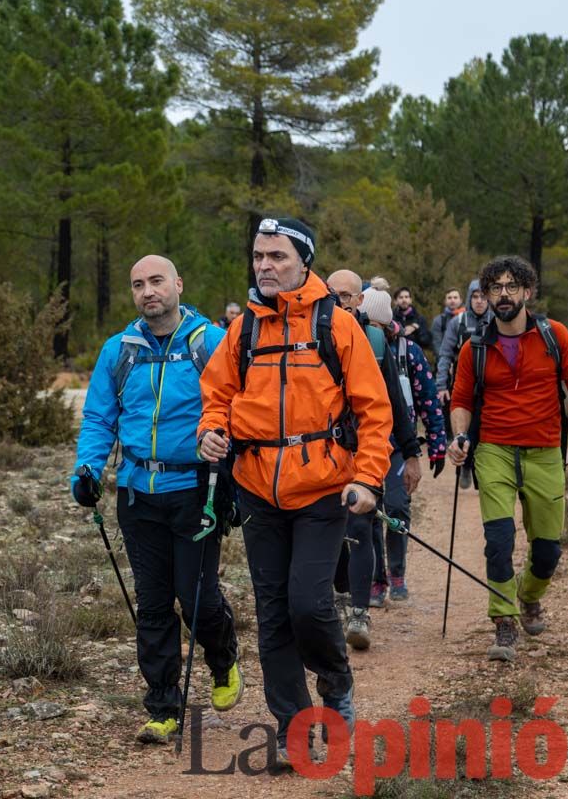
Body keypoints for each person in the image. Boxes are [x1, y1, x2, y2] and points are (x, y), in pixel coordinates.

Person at [197, 218, 392, 770]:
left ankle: (335, 679)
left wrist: (369, 478)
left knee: (308, 604)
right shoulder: (245, 329)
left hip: (324, 490)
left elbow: (373, 410)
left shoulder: (336, 322)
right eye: (259, 256)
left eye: (277, 256)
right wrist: (211, 432)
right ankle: (294, 729)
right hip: (257, 488)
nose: (265, 266)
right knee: (274, 613)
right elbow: (217, 394)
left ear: (303, 261)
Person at [71, 255, 242, 745]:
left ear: (178, 285)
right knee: (151, 604)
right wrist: (86, 470)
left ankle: (224, 658)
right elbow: (99, 418)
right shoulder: (118, 350)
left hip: (196, 492)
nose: (148, 291)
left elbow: (237, 403)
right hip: (137, 494)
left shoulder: (209, 342)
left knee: (196, 600)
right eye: (138, 285)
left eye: (157, 281)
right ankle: (163, 706)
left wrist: (224, 442)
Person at [446, 255, 568, 663]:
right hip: (494, 449)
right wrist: (460, 436)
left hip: (545, 450)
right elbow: (461, 400)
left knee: (548, 550)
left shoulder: (555, 335)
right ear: (485, 295)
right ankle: (504, 622)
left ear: (527, 292)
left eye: (511, 287)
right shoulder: (474, 347)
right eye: (494, 288)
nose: (502, 294)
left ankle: (529, 596)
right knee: (498, 542)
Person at [324, 273, 423, 649]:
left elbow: (392, 402)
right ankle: (339, 597)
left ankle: (359, 613)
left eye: (347, 295)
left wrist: (411, 452)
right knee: (330, 531)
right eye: (334, 295)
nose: (340, 301)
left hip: (365, 450)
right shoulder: (316, 333)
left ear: (360, 299)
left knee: (360, 529)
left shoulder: (373, 339)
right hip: (323, 455)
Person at [362, 288, 446, 605]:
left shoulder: (408, 352)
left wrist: (436, 444)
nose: (369, 331)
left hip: (398, 442)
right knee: (366, 512)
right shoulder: (352, 346)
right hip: (363, 444)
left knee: (397, 507)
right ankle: (375, 579)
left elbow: (428, 399)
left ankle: (397, 572)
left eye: (374, 325)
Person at [435, 279, 492, 404]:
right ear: (469, 299)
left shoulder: (497, 321)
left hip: (491, 384)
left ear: (489, 298)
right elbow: (445, 354)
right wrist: (441, 386)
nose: (479, 301)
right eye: (475, 297)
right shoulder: (457, 322)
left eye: (483, 296)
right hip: (462, 381)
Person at [392, 287, 433, 351]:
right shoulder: (391, 319)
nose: (404, 300)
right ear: (395, 301)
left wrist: (416, 328)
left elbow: (426, 342)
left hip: (415, 356)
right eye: (401, 297)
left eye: (406, 297)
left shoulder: (420, 319)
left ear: (411, 300)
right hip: (396, 355)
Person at [429, 287, 464, 352]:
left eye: (455, 297)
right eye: (449, 298)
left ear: (461, 300)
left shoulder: (467, 319)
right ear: (445, 301)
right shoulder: (438, 321)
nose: (452, 300)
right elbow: (437, 344)